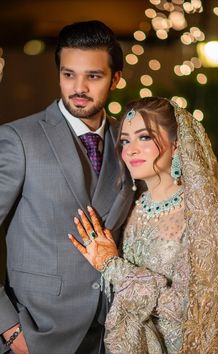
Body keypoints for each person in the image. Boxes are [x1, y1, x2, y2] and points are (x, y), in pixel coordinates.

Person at [0, 20, 134, 354]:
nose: (79, 88)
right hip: (37, 333)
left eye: (93, 76)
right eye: (68, 74)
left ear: (115, 77)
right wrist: (10, 329)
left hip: (111, 334)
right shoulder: (18, 139)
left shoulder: (130, 142)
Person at [69, 96, 218, 354]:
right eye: (125, 140)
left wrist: (113, 267)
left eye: (144, 137)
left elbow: (195, 310)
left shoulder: (203, 214)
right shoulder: (131, 205)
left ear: (177, 146)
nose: (130, 150)